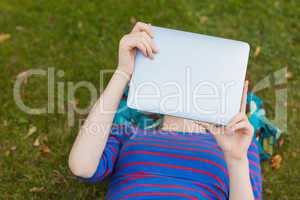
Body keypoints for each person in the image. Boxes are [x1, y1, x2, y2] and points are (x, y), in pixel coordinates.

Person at [68, 22, 262, 200]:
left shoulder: (240, 145)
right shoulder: (127, 134)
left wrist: (236, 160)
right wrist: (123, 72)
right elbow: (81, 166)